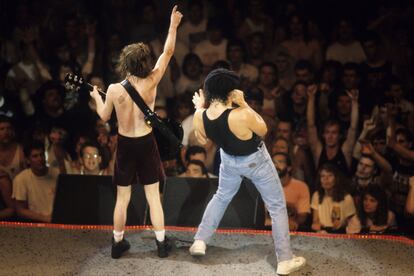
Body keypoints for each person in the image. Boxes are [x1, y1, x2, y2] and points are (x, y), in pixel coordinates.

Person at [190, 68, 305, 275]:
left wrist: (200, 108)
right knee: (277, 206)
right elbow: (263, 129)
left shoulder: (199, 116)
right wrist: (244, 104)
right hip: (255, 161)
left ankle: (199, 241)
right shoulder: (241, 114)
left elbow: (200, 138)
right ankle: (285, 259)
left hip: (228, 161)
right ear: (231, 92)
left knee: (221, 196)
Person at [89, 6, 182, 259]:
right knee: (153, 195)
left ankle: (117, 244)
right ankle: (162, 244)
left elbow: (105, 116)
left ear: (124, 63)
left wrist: (97, 98)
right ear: (144, 63)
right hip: (145, 142)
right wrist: (172, 26)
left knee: (122, 197)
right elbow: (168, 51)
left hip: (126, 144)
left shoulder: (115, 89)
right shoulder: (152, 81)